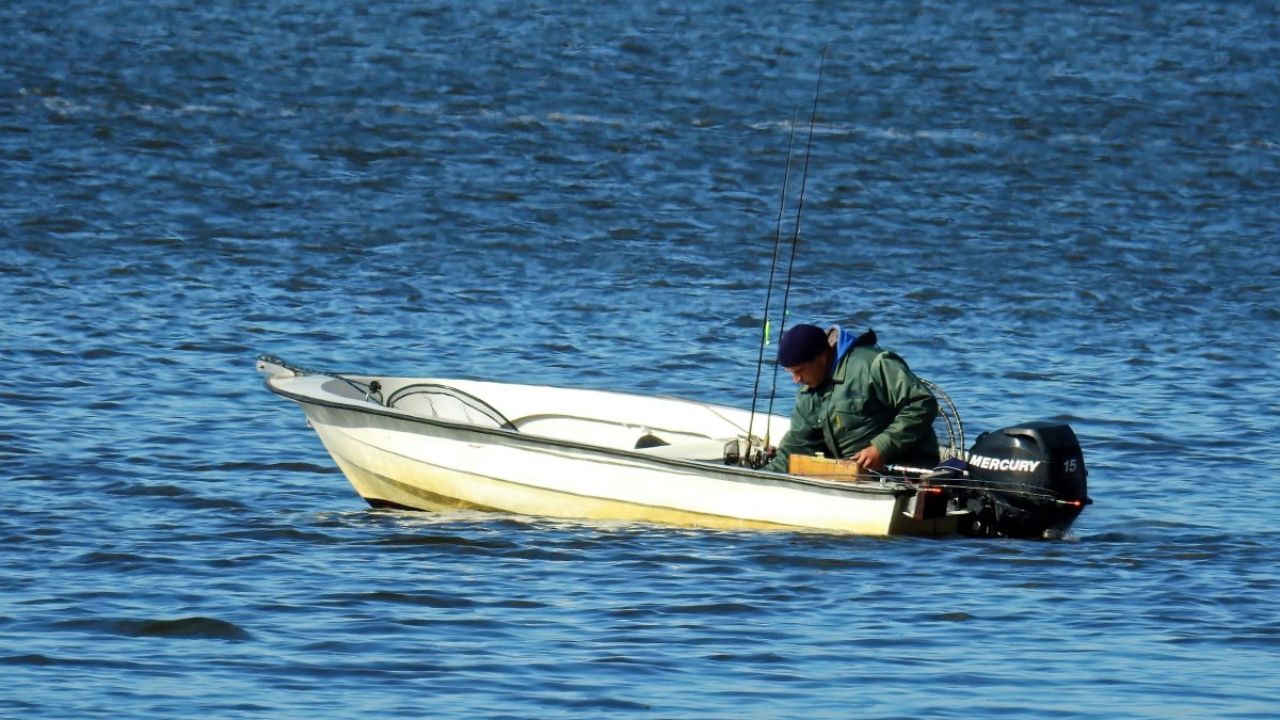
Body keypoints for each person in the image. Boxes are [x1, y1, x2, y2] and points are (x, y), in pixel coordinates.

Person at [763, 323, 940, 474]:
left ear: (822, 357)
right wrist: (762, 479)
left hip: (907, 471)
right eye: (791, 374)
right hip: (854, 477)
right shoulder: (808, 392)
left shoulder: (873, 364)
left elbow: (921, 403)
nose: (796, 380)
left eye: (799, 371)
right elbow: (797, 445)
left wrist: (881, 448)